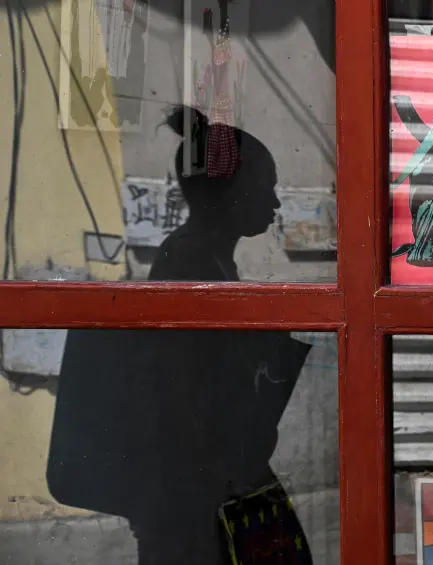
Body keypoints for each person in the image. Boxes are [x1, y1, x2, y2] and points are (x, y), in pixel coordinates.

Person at [48, 106, 313, 565]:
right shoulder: (188, 266)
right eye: (265, 186)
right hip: (190, 509)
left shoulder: (208, 263)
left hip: (197, 498)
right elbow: (186, 400)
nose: (273, 203)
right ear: (228, 191)